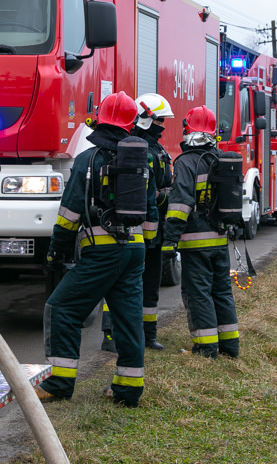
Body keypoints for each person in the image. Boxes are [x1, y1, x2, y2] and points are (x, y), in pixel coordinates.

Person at [35, 91, 155, 407]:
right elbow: (152, 210)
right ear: (131, 124)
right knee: (128, 318)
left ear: (99, 119)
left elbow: (70, 212)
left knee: (62, 308)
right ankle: (128, 390)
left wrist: (57, 251)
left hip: (102, 252)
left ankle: (59, 383)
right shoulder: (143, 160)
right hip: (135, 250)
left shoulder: (89, 159)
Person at [162, 105, 239, 359]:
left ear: (187, 130)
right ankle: (230, 347)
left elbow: (180, 205)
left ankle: (206, 350)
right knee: (222, 292)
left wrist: (169, 240)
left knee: (198, 294)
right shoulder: (220, 158)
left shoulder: (186, 162)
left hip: (195, 242)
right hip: (219, 239)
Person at [100, 93, 174, 352]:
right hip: (134, 230)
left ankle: (147, 334)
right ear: (146, 118)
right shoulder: (134, 149)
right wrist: (166, 197)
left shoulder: (156, 148)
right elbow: (150, 193)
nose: (163, 125)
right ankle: (111, 335)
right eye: (161, 120)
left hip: (153, 230)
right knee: (121, 285)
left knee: (150, 286)